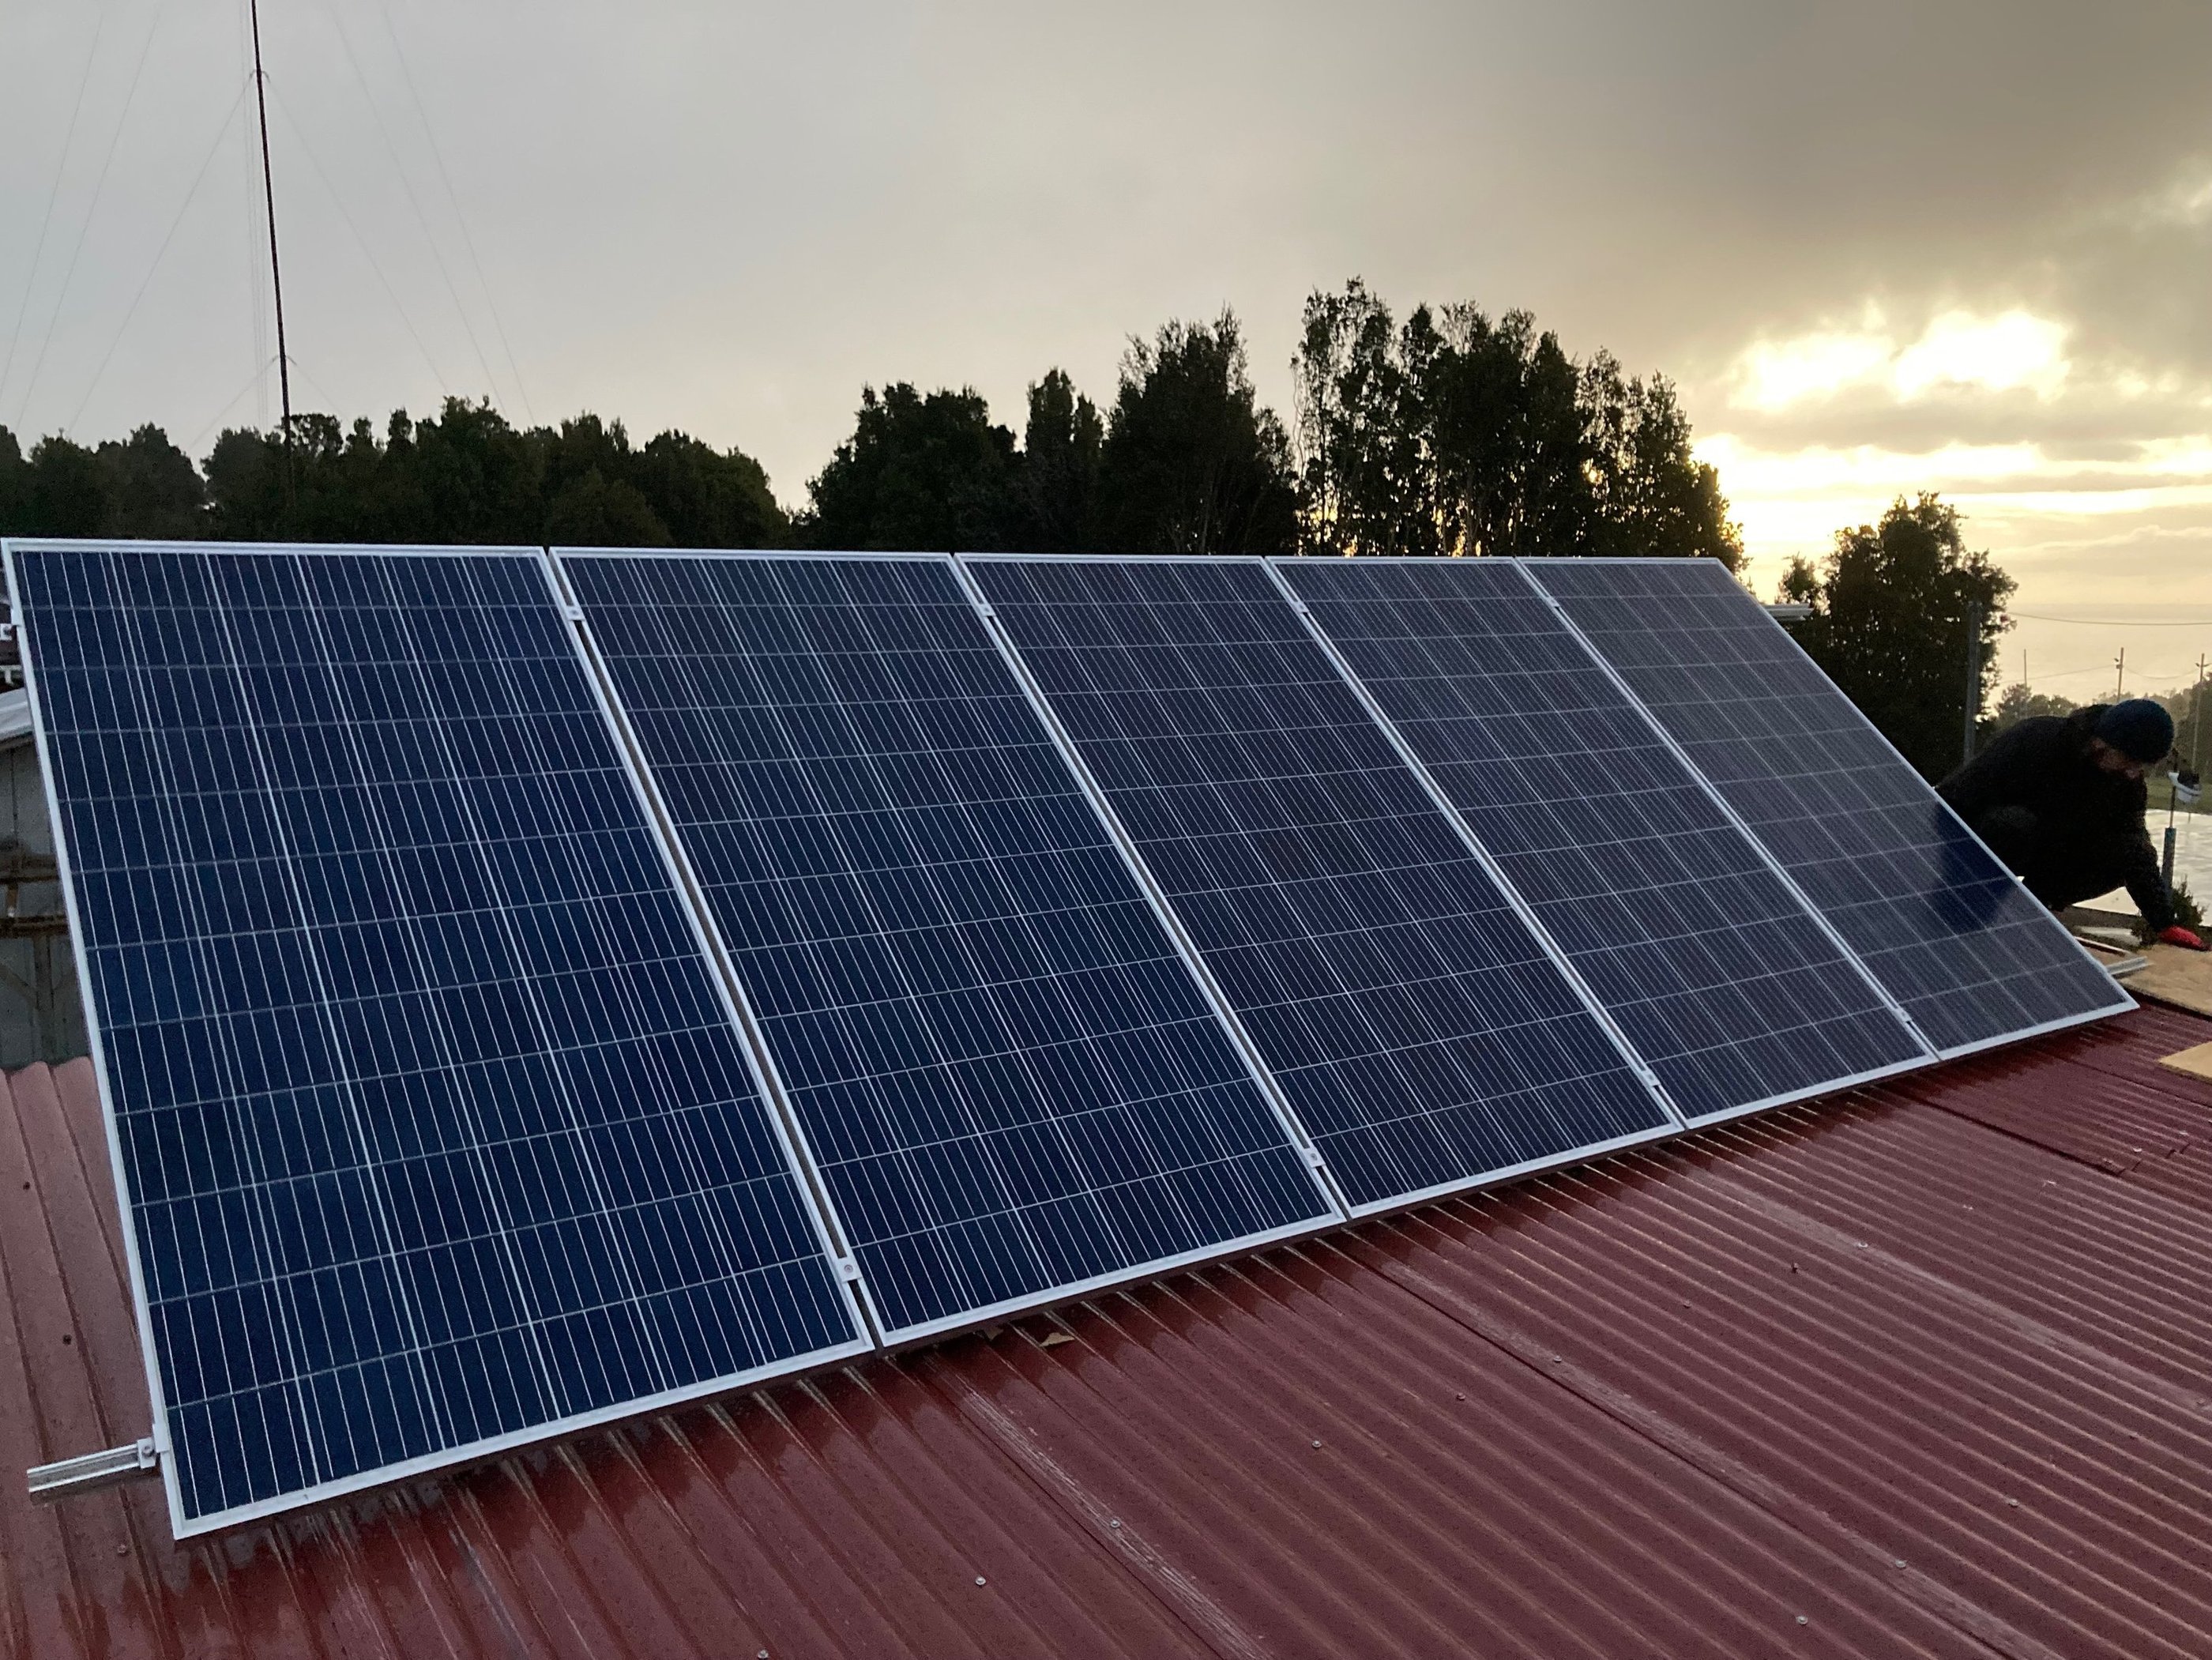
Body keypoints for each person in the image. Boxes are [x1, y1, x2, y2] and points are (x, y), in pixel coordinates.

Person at [1939, 698, 2208, 950]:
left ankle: (2028, 913)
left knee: (2127, 853)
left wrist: (2164, 923)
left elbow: (2135, 847)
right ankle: (1968, 912)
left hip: (2049, 858)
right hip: (1984, 847)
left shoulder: (2126, 784)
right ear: (2103, 745)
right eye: (2131, 762)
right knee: (2014, 825)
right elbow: (1955, 798)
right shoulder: (2035, 741)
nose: (2134, 773)